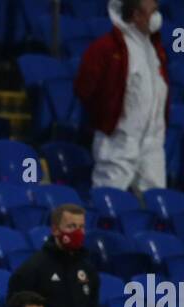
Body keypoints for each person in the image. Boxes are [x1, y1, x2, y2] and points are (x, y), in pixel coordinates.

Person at [74, 0, 168, 193]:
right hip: (118, 139)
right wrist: (107, 117)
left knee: (156, 203)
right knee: (109, 196)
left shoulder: (154, 49)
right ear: (136, 15)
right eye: (153, 12)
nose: (157, 17)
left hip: (152, 143)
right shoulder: (106, 48)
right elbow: (84, 88)